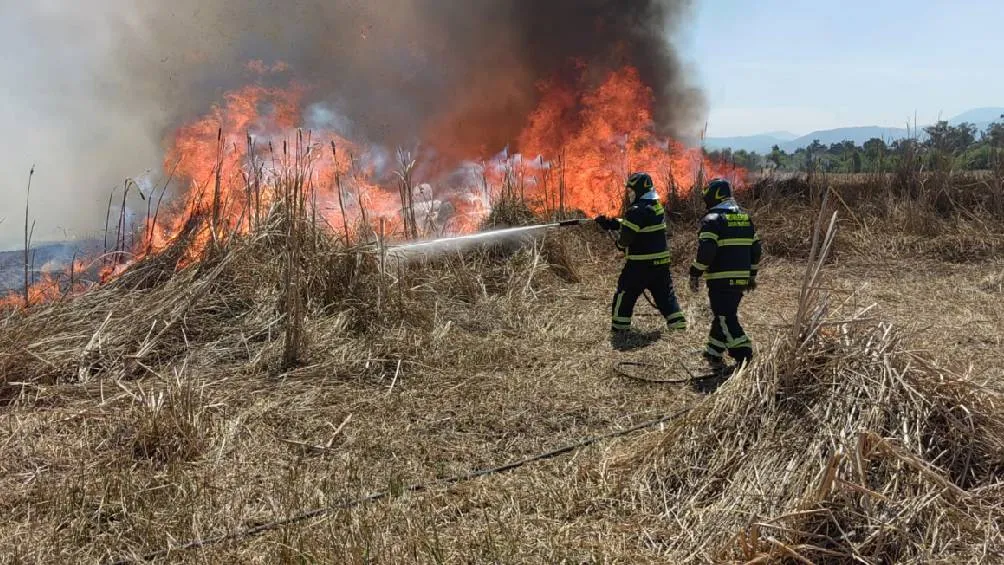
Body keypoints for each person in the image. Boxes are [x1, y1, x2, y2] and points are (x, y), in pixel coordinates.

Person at [595, 172, 687, 334]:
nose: (629, 194)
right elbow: (639, 223)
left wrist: (619, 242)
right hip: (661, 263)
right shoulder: (656, 206)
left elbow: (627, 238)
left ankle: (620, 328)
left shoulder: (636, 210)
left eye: (631, 190)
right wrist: (615, 223)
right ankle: (678, 325)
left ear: (638, 190)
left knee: (625, 293)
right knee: (665, 295)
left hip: (640, 264)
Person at [688, 178, 762, 371]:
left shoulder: (712, 220)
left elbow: (707, 251)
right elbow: (756, 250)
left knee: (724, 316)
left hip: (720, 279)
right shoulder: (745, 218)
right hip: (740, 278)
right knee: (725, 313)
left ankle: (744, 354)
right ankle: (713, 351)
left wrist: (695, 271)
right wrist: (751, 275)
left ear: (715, 196)